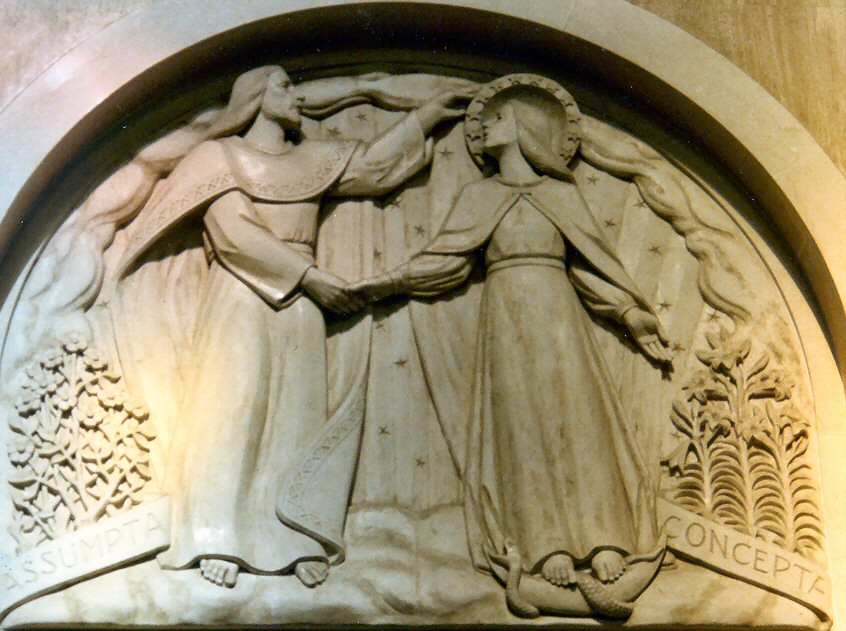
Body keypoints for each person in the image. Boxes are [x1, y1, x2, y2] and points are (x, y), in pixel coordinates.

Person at [116, 66, 471, 588]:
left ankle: (294, 536)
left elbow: (374, 168)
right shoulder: (218, 157)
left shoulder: (312, 159)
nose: (297, 96)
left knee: (298, 409)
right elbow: (234, 232)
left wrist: (425, 118)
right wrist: (310, 277)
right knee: (233, 409)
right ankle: (216, 536)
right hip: (243, 289)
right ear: (255, 97)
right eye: (284, 86)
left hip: (303, 298)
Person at [350, 75, 672, 590]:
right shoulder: (478, 196)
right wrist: (386, 283)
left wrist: (628, 312)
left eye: (498, 119)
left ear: (526, 129)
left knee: (580, 417)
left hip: (559, 314)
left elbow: (588, 267)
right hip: (505, 317)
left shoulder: (560, 195)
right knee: (520, 424)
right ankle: (547, 546)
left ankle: (605, 539)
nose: (484, 128)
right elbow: (447, 261)